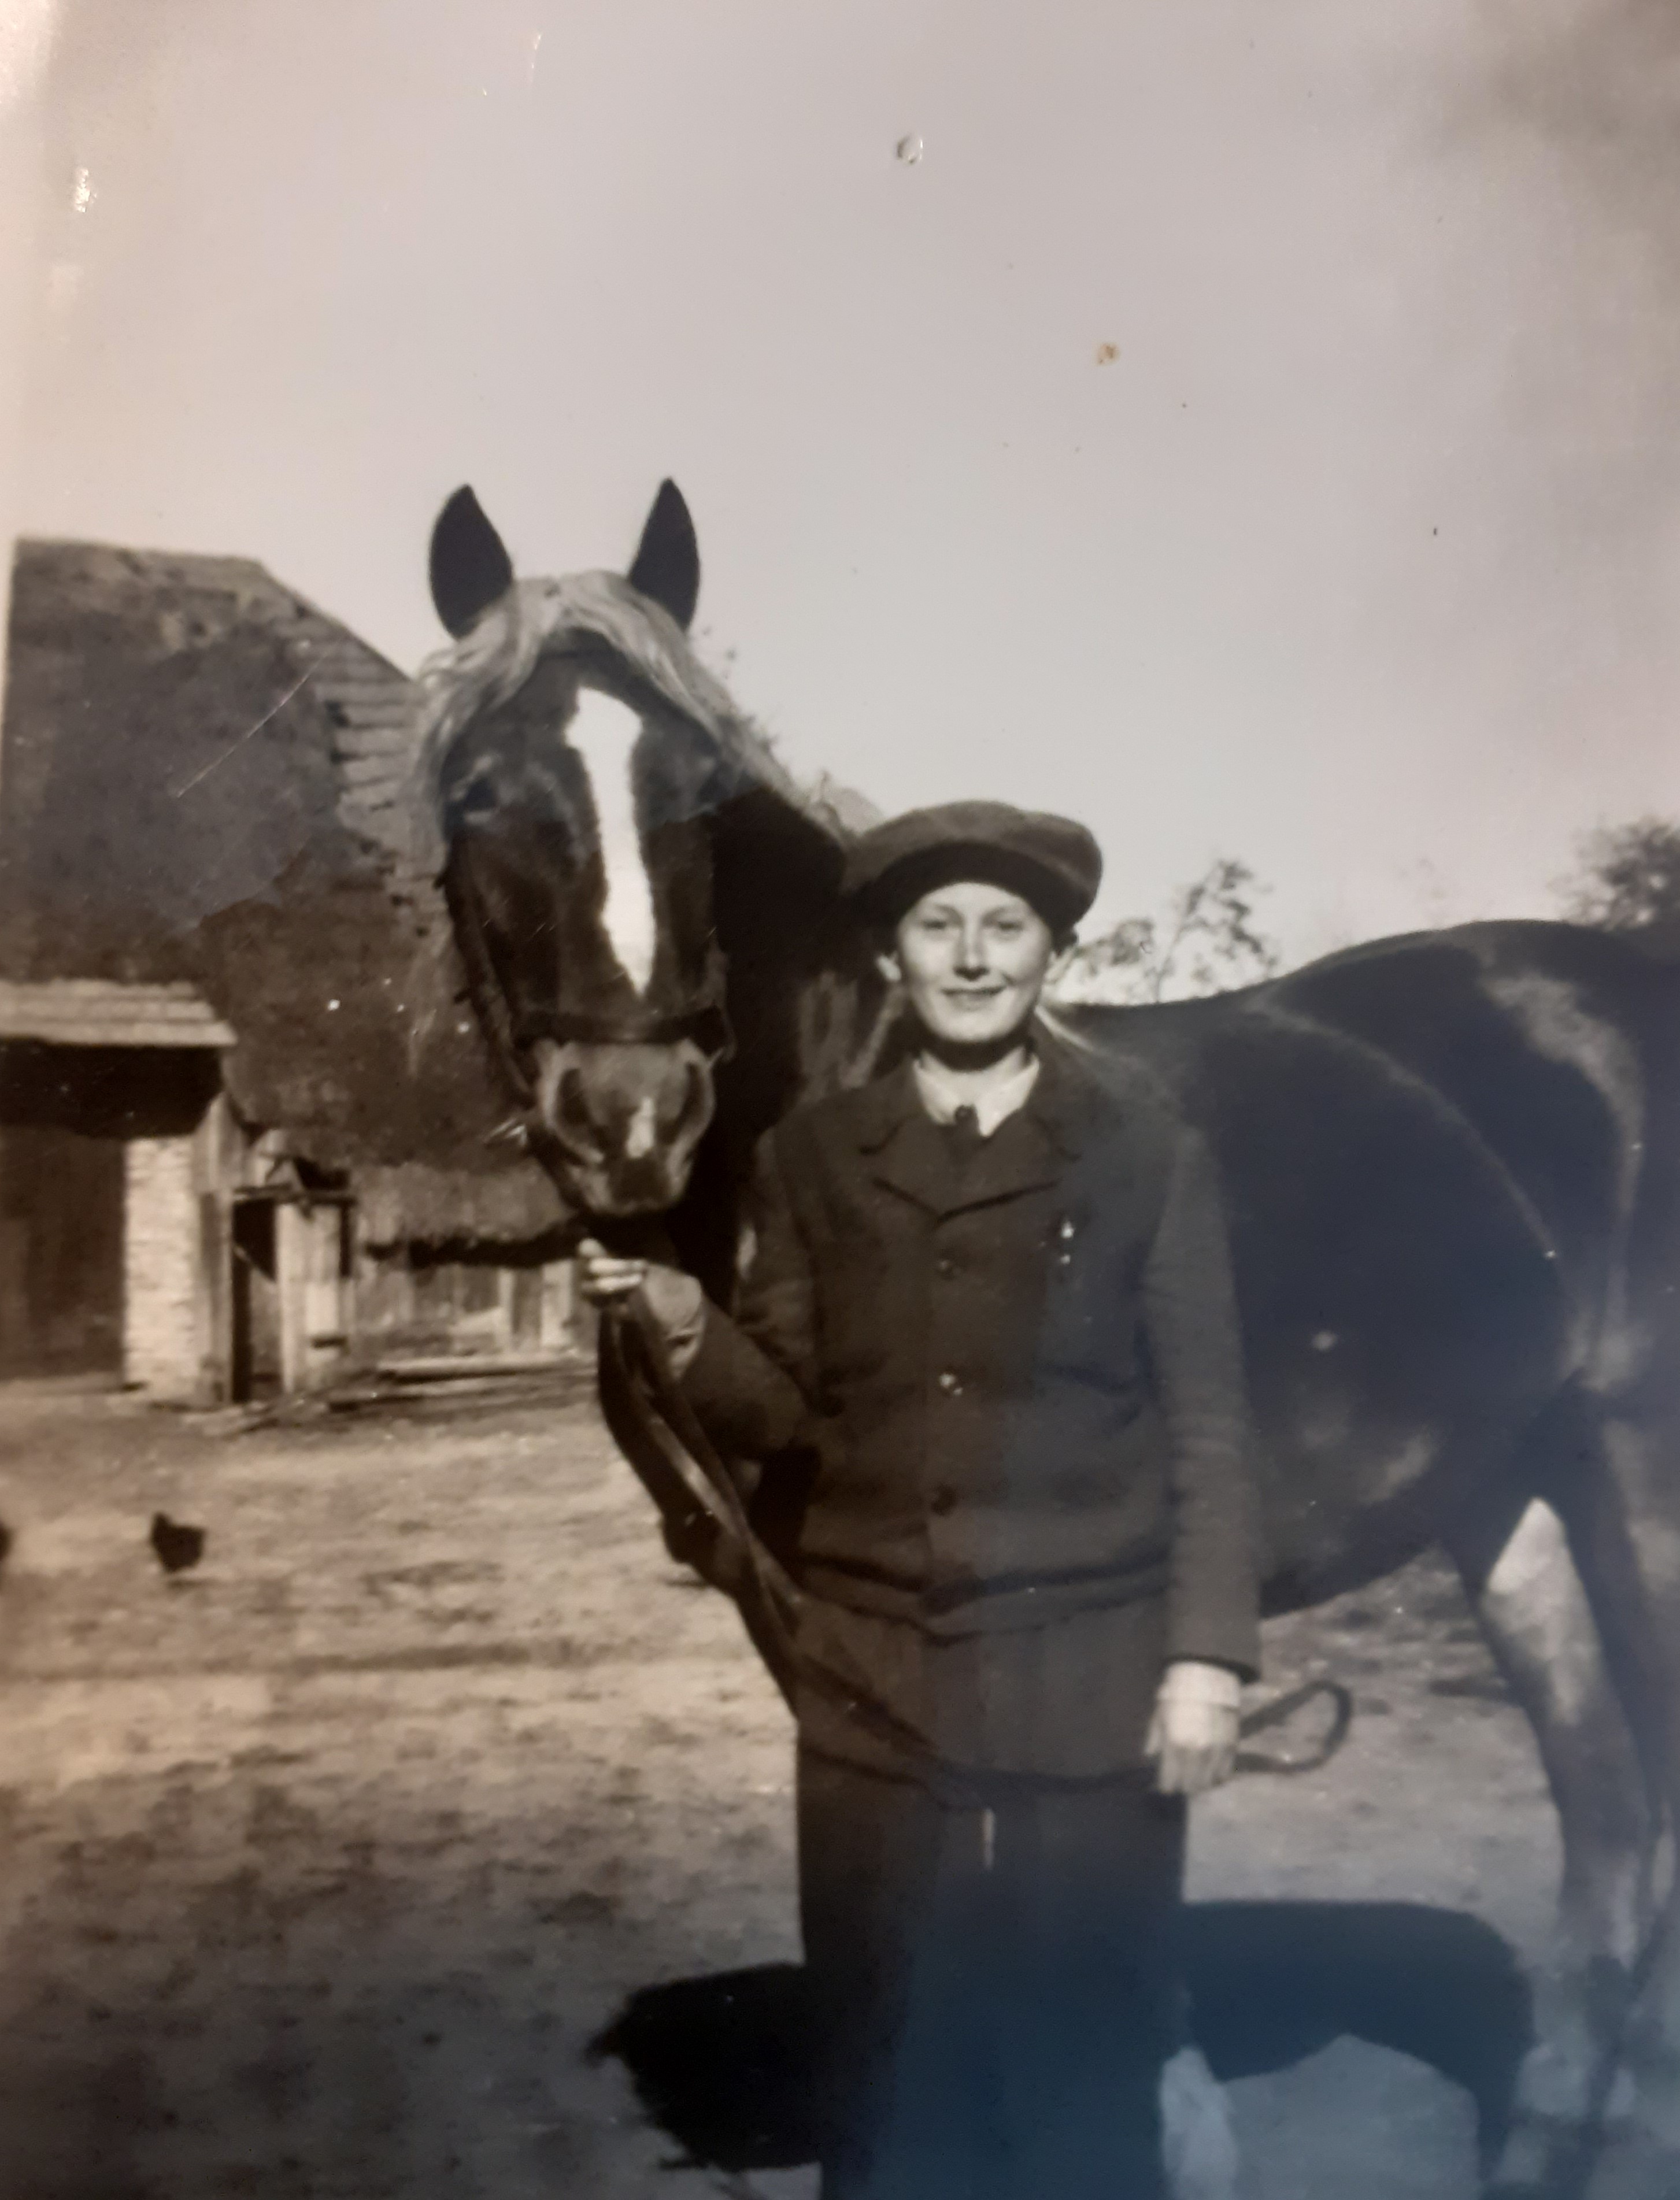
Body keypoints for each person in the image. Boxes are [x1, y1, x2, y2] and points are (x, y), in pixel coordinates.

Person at [579, 799, 1261, 2199]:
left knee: (1090, 2054)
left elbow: (1208, 1428)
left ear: (1052, 955)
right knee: (883, 2052)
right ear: (891, 959)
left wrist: (1204, 1662)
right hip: (875, 1675)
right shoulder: (814, 1157)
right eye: (937, 927)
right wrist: (687, 1322)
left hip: (1089, 1666)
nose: (970, 957)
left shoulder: (1146, 1155)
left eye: (1005, 927)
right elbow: (787, 1414)